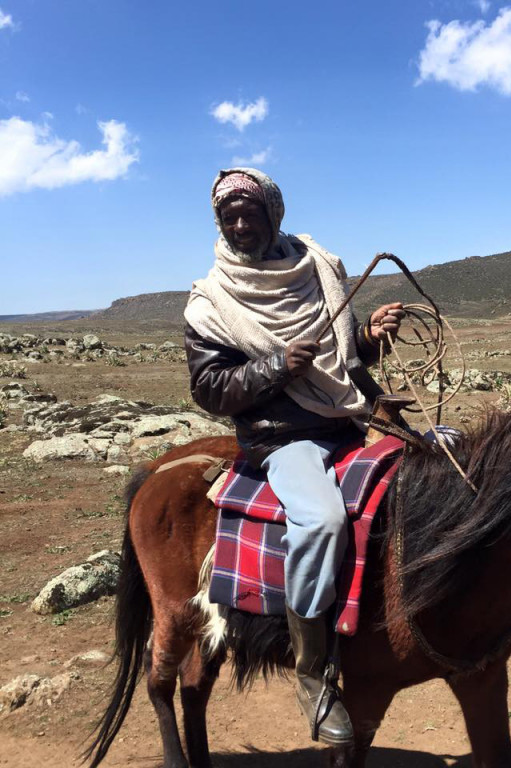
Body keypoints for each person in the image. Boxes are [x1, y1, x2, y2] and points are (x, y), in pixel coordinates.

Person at [183, 168, 404, 745]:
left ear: (272, 216)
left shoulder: (319, 268)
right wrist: (275, 366)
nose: (238, 225)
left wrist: (370, 337)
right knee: (324, 519)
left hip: (348, 421)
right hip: (283, 438)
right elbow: (209, 388)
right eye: (228, 217)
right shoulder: (211, 301)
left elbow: (341, 355)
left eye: (249, 215)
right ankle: (313, 673)